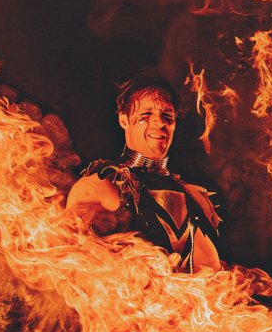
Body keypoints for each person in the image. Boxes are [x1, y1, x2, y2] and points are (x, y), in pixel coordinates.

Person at [64, 75, 222, 273]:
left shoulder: (192, 196)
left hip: (186, 301)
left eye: (167, 116)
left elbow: (210, 272)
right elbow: (71, 266)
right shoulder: (101, 185)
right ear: (124, 120)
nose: (159, 122)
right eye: (146, 114)